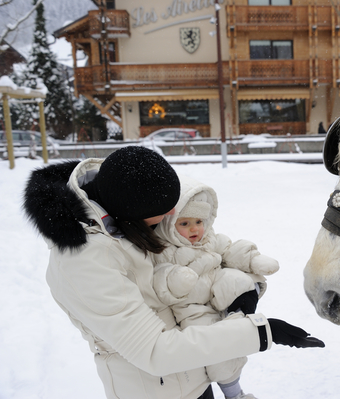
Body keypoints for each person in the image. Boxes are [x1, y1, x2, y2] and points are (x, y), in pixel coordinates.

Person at [23, 146, 324, 399]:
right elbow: (156, 351)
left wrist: (239, 290)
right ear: (134, 209)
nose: (171, 214)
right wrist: (260, 331)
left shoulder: (121, 220)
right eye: (164, 208)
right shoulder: (84, 262)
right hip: (156, 390)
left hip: (194, 374)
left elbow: (194, 269)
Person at [152, 175, 280, 399]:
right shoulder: (164, 250)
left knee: (237, 279)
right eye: (185, 223)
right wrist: (176, 278)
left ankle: (239, 316)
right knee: (217, 352)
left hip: (219, 291)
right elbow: (160, 279)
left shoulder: (209, 239)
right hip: (191, 307)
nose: (195, 229)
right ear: (169, 224)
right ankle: (234, 393)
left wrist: (252, 260)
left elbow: (229, 249)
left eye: (199, 222)